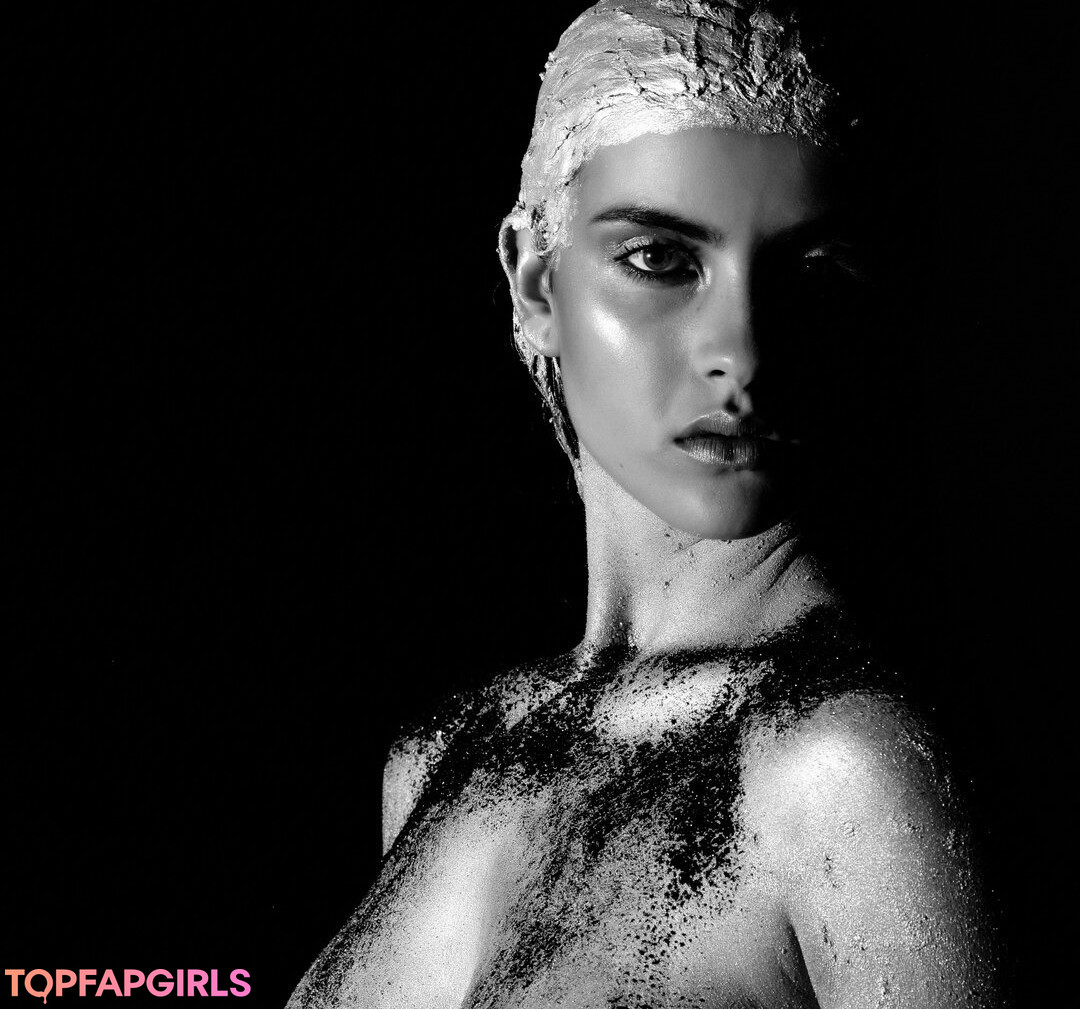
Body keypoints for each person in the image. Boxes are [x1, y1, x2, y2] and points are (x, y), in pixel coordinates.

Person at [287, 2, 1002, 1005]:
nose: (741, 351)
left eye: (811, 273)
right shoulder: (446, 754)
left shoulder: (847, 766)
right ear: (536, 283)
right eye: (661, 259)